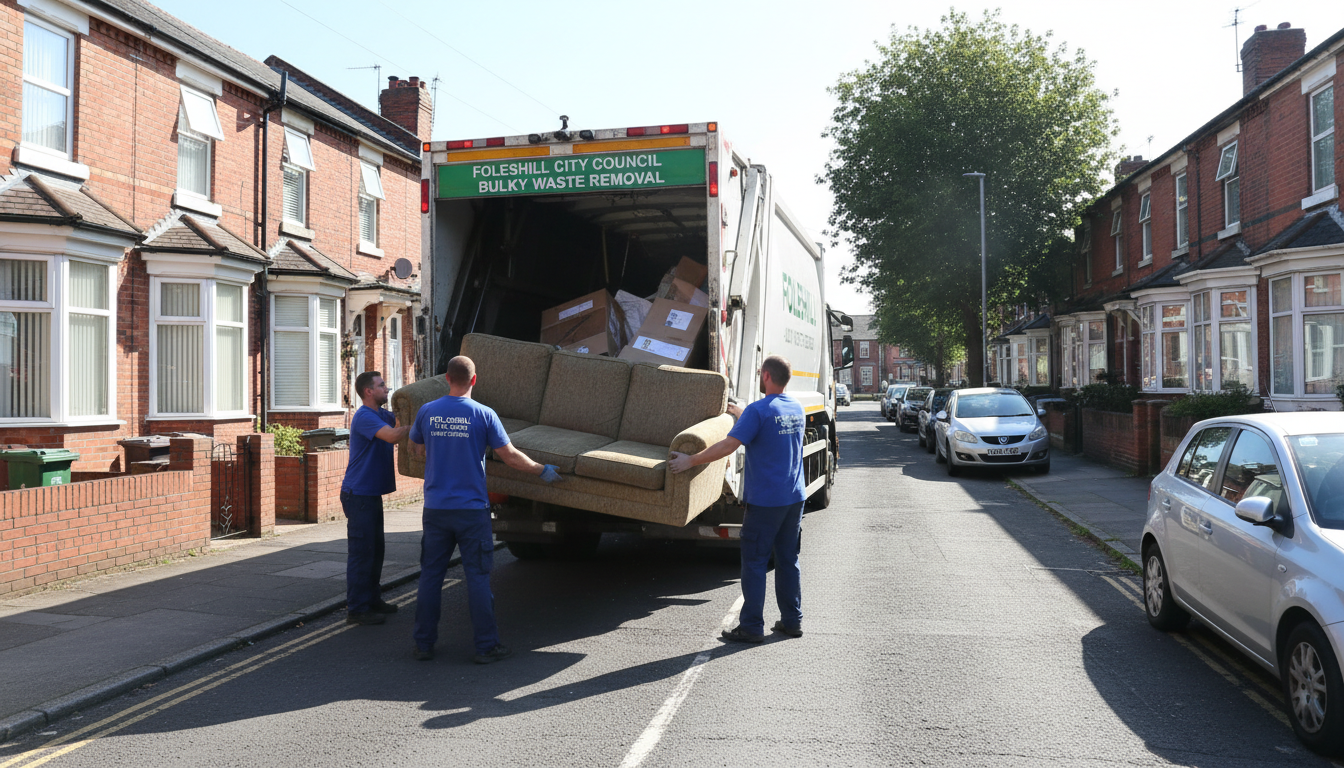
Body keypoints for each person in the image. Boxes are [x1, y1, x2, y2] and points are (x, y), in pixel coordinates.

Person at [409, 355, 563, 663]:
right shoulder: (483, 414)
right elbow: (510, 456)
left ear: (447, 379)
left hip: (436, 508)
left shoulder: (427, 412)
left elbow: (417, 448)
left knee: (430, 576)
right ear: (474, 380)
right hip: (471, 510)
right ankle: (486, 646)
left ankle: (423, 644)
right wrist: (541, 470)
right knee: (477, 577)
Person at [669, 355, 805, 643]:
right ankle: (792, 621)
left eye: (760, 373)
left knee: (755, 562)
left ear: (766, 376)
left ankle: (752, 626)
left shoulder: (758, 411)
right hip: (794, 498)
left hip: (766, 501)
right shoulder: (795, 408)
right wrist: (745, 414)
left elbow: (729, 445)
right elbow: (770, 425)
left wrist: (690, 460)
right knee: (788, 560)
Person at [341, 371, 411, 626]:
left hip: (369, 493)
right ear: (368, 391)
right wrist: (414, 426)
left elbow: (398, 419)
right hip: (358, 494)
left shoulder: (380, 414)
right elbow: (393, 436)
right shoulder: (364, 417)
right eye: (382, 385)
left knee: (376, 550)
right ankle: (357, 608)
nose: (387, 388)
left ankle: (372, 599)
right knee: (362, 552)